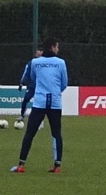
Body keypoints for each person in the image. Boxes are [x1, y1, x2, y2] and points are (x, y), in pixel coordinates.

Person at [12, 38, 67, 173]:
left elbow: (33, 78)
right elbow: (64, 83)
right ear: (53, 47)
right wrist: (55, 92)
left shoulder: (35, 62)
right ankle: (57, 166)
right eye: (57, 47)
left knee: (30, 133)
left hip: (40, 102)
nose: (58, 49)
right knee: (56, 133)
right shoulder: (61, 63)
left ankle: (21, 165)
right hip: (55, 103)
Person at [18, 48, 41, 122]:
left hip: (41, 87)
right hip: (31, 86)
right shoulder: (31, 63)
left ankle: (40, 119)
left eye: (40, 54)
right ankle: (22, 115)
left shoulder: (45, 64)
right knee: (25, 99)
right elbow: (26, 72)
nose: (39, 55)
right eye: (38, 54)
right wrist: (22, 82)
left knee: (40, 103)